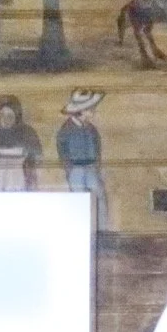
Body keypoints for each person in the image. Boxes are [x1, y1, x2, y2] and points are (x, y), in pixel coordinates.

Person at [56, 88, 107, 228]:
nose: (93, 112)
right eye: (90, 109)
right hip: (76, 169)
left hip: (91, 167)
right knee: (79, 199)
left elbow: (97, 147)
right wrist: (69, 169)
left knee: (99, 196)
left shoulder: (91, 129)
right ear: (81, 111)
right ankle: (81, 228)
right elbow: (62, 150)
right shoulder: (66, 129)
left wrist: (97, 165)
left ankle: (101, 230)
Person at [0, 95, 40, 190]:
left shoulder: (27, 132)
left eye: (10, 116)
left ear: (16, 115)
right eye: (2, 115)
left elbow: (36, 156)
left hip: (20, 177)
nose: (6, 119)